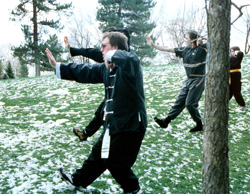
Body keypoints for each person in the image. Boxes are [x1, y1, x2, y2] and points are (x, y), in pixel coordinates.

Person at [45, 31, 146, 194]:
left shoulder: (130, 66)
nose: (101, 50)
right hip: (114, 124)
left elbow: (130, 58)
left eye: (104, 46)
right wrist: (58, 66)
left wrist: (111, 55)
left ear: (115, 48)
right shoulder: (106, 70)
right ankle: (77, 180)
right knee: (99, 152)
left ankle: (132, 188)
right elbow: (84, 70)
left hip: (131, 124)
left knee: (113, 160)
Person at [64, 28, 130, 141]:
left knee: (105, 113)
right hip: (112, 94)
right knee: (101, 111)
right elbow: (92, 52)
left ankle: (96, 135)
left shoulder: (127, 60)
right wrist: (72, 49)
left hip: (123, 98)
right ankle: (86, 133)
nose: (102, 50)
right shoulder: (108, 56)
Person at [146, 30, 207, 132]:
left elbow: (213, 44)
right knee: (180, 101)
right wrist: (153, 45)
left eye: (186, 38)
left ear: (192, 39)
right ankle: (166, 122)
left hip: (199, 79)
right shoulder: (184, 50)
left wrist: (202, 42)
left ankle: (199, 125)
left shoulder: (202, 48)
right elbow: (167, 48)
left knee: (190, 104)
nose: (184, 40)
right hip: (189, 79)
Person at [229, 46, 246, 112]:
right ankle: (224, 105)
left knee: (236, 91)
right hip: (230, 75)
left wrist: (236, 52)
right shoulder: (230, 59)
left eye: (232, 51)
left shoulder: (238, 58)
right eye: (231, 51)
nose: (231, 53)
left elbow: (241, 53)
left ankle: (242, 105)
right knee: (229, 91)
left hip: (235, 75)